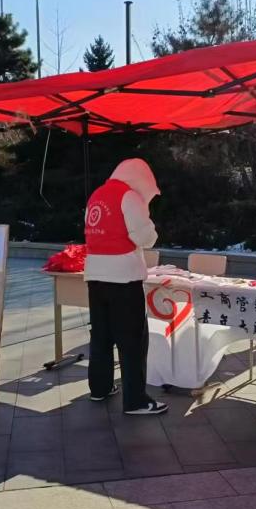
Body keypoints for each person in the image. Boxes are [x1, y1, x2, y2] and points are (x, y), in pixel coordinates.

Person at [84, 158, 168, 415]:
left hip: (94, 275)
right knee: (132, 340)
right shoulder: (128, 196)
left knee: (101, 336)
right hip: (123, 277)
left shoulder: (96, 195)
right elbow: (145, 237)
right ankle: (135, 401)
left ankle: (100, 388)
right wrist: (149, 223)